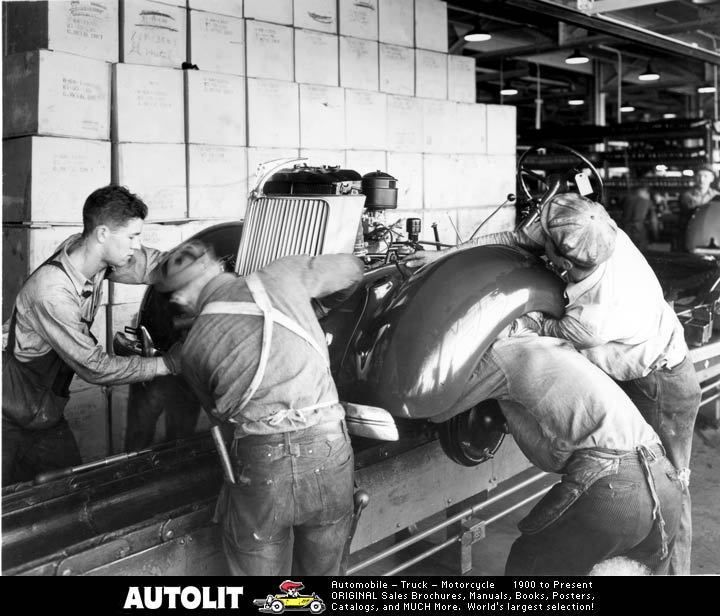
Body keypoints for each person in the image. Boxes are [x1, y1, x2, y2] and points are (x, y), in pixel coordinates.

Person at [406, 192, 701, 575]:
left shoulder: (596, 312)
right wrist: (442, 258)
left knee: (673, 484)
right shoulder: (568, 218)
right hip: (622, 367)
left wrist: (510, 329)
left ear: (570, 264)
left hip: (659, 376)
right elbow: (513, 241)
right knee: (639, 469)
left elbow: (549, 331)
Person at [151, 239, 364, 576]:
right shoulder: (282, 276)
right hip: (329, 451)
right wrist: (313, 312)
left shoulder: (193, 350)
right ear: (218, 265)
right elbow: (353, 270)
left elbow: (221, 417)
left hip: (262, 466)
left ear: (179, 298)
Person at [430, 321, 682, 576]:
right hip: (664, 481)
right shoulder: (556, 347)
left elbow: (439, 407)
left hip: (615, 488)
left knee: (531, 565)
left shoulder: (501, 352)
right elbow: (560, 451)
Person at [2, 185, 183, 486]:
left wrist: (196, 269)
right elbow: (94, 367)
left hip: (45, 413)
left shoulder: (86, 254)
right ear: (101, 234)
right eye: (131, 237)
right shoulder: (52, 293)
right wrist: (168, 364)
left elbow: (145, 265)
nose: (136, 246)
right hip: (7, 418)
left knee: (70, 494)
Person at [679, 166, 719, 250]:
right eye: (699, 176)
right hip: (693, 233)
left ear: (711, 178)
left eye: (705, 176)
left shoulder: (717, 196)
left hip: (713, 234)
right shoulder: (687, 196)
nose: (702, 179)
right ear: (695, 178)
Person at [621, 185, 658, 251]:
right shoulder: (647, 202)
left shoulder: (627, 200)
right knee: (640, 254)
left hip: (625, 230)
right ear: (646, 193)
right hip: (639, 230)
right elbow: (653, 221)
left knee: (626, 251)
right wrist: (655, 234)